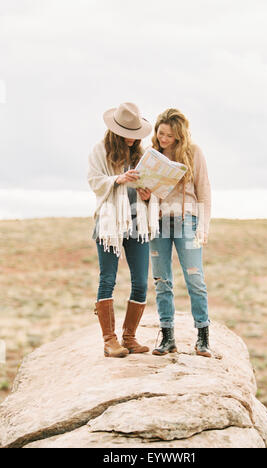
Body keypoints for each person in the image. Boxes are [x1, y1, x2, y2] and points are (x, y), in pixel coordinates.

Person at [87, 102, 159, 358]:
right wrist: (116, 179)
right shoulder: (100, 151)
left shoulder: (143, 153)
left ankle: (129, 337)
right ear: (117, 132)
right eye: (129, 133)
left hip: (138, 224)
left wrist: (148, 195)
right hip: (110, 225)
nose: (134, 138)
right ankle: (109, 341)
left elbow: (154, 189)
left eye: (137, 133)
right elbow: (94, 182)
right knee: (108, 279)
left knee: (140, 281)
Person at [149, 108, 212, 357]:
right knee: (161, 280)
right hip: (159, 222)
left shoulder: (194, 152)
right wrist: (145, 194)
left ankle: (203, 337)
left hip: (188, 220)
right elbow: (147, 191)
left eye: (169, 135)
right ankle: (167, 337)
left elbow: (204, 190)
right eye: (160, 133)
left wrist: (203, 227)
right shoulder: (152, 155)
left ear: (179, 135)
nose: (163, 138)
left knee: (195, 279)